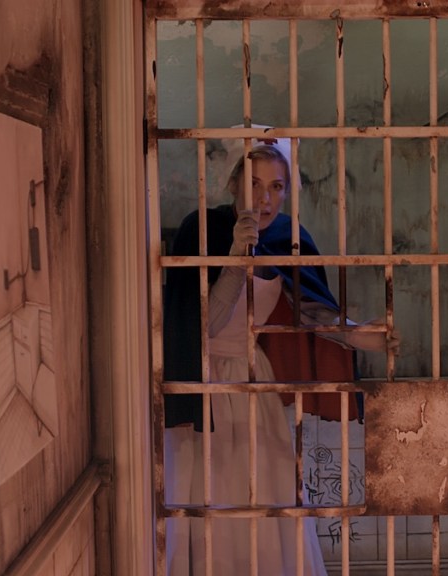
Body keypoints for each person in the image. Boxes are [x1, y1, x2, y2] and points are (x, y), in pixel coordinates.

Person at [162, 136, 397, 576]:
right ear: (233, 183)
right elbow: (204, 328)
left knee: (267, 499)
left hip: (256, 385)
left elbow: (309, 309)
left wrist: (361, 337)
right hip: (202, 385)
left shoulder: (289, 238)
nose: (264, 199)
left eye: (276, 186)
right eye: (253, 184)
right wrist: (237, 255)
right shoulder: (201, 228)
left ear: (288, 191)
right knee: (210, 498)